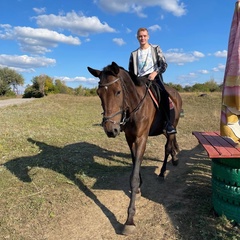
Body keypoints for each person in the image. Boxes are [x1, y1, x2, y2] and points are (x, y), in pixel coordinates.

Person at [128, 27, 177, 134]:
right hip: (139, 80)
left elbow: (164, 64)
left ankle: (168, 124)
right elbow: (131, 71)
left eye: (144, 36)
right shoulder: (134, 54)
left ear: (148, 37)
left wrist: (155, 73)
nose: (142, 38)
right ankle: (125, 121)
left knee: (163, 94)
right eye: (140, 36)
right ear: (137, 38)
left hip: (153, 78)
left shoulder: (155, 48)